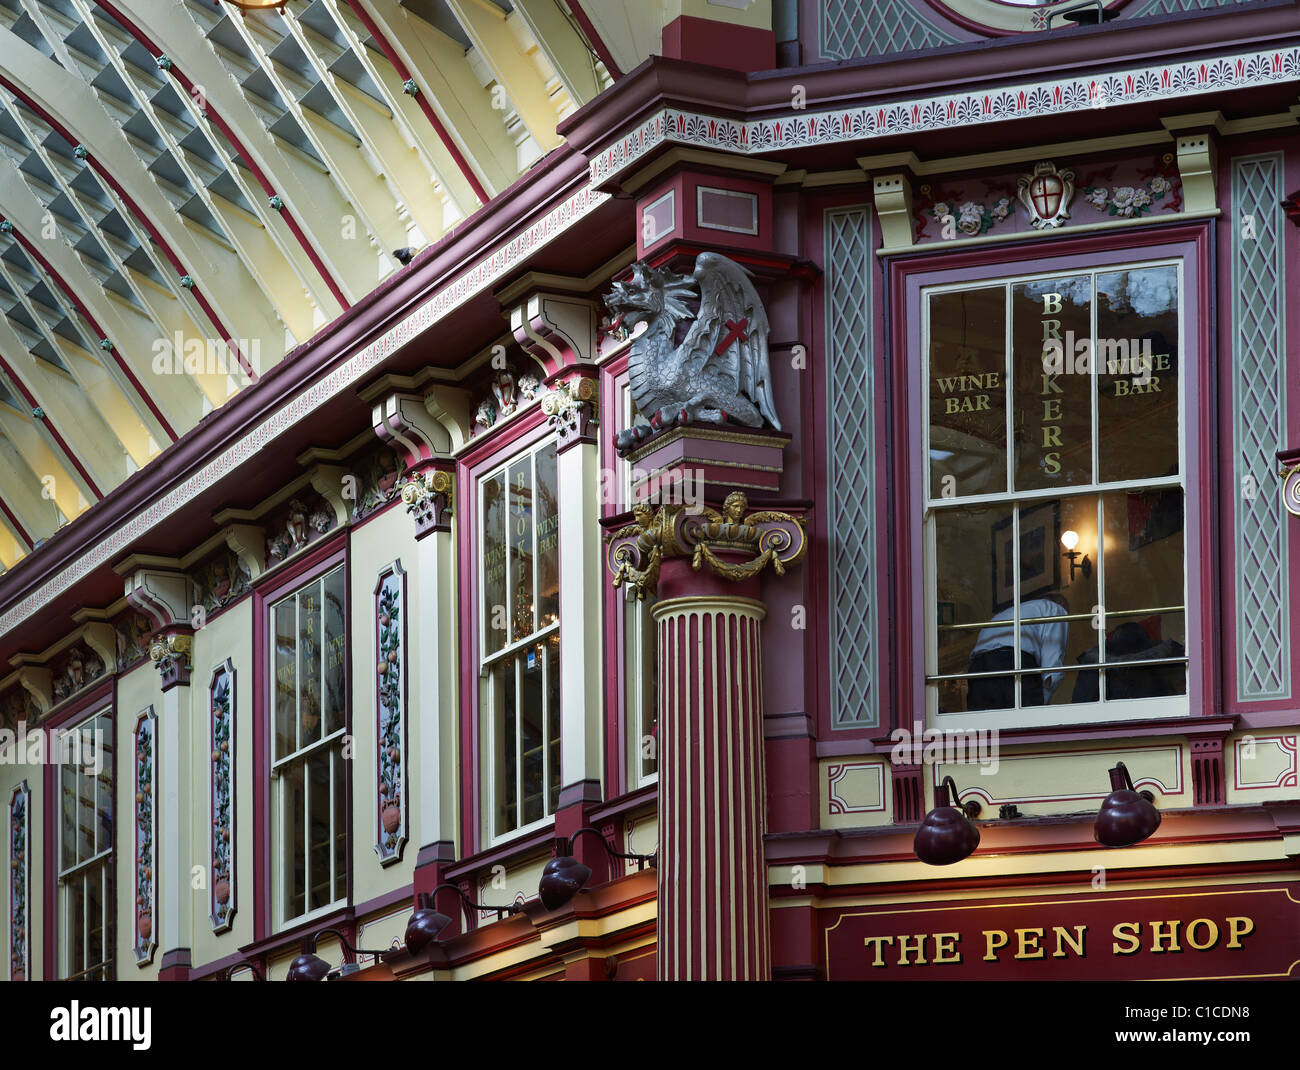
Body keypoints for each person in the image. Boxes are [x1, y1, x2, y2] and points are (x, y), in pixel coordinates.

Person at [966, 591, 1069, 710]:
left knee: (983, 722)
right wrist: (1042, 704)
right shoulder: (1056, 609)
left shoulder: (1008, 612)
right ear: (1061, 604)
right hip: (1013, 662)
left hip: (978, 667)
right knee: (1025, 722)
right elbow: (1052, 668)